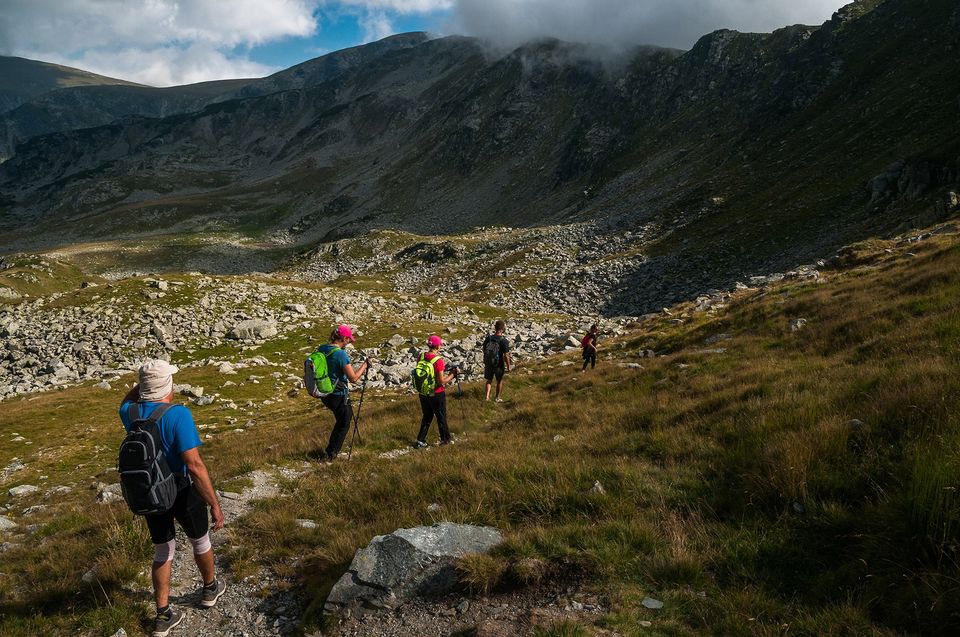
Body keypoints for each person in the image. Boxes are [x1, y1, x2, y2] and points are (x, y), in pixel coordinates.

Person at [119, 359, 226, 637]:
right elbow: (194, 465)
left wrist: (143, 383)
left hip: (151, 491)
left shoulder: (130, 413)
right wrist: (214, 503)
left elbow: (127, 399)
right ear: (167, 384)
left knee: (162, 550)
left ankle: (163, 614)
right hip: (181, 489)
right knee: (200, 540)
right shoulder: (178, 415)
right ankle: (209, 588)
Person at [315, 324, 372, 462]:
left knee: (341, 420)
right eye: (349, 340)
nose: (350, 342)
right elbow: (353, 378)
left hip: (324, 392)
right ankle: (331, 453)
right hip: (338, 394)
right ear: (344, 338)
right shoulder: (340, 354)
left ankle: (331, 450)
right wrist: (365, 365)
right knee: (344, 422)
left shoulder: (322, 348)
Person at [414, 335, 459, 448]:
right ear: (438, 346)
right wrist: (452, 375)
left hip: (423, 392)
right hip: (436, 392)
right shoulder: (438, 360)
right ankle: (445, 439)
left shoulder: (421, 356)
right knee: (441, 416)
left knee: (427, 416)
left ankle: (420, 440)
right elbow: (441, 382)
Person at [482, 319, 512, 402]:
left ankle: (487, 397)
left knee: (489, 380)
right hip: (498, 364)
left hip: (488, 363)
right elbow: (506, 355)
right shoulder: (503, 341)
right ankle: (497, 398)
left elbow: (484, 349)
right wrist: (509, 366)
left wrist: (488, 357)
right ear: (502, 329)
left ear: (495, 328)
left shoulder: (489, 338)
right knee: (499, 380)